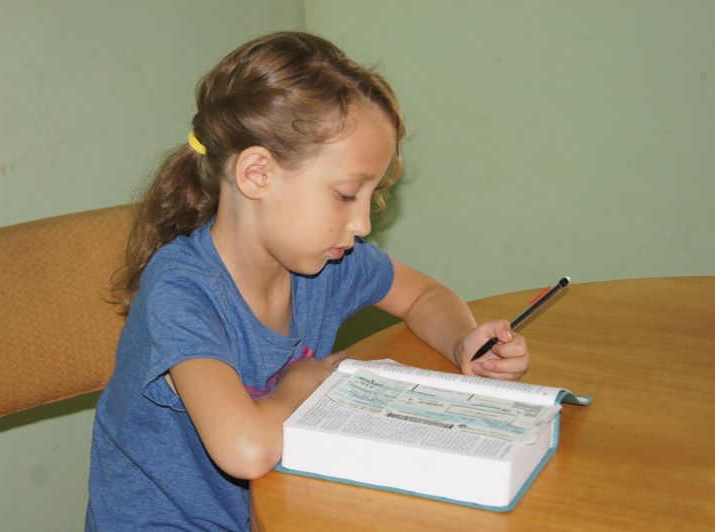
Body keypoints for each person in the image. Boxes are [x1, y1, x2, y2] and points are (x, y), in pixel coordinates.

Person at [85, 31, 529, 531]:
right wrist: (303, 382)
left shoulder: (326, 263)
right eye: (346, 195)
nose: (362, 224)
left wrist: (462, 341)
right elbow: (246, 450)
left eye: (371, 197)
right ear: (257, 174)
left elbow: (425, 295)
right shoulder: (181, 291)